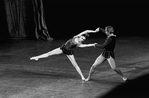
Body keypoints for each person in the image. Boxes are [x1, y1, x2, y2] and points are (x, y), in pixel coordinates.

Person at [30, 27, 99, 80]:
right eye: (82, 38)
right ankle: (37, 57)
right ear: (80, 36)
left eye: (83, 39)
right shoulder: (76, 36)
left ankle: (82, 77)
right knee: (49, 53)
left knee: (75, 65)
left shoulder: (79, 44)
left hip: (69, 52)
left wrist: (93, 44)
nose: (82, 39)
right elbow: (86, 31)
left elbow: (86, 45)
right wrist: (94, 31)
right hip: (62, 48)